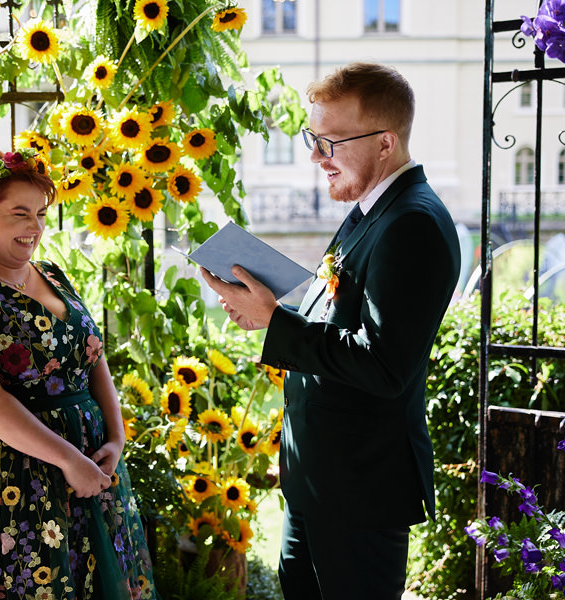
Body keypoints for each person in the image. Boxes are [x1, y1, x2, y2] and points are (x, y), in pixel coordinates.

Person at [201, 62, 461, 599]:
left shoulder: (411, 223)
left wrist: (276, 324)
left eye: (331, 141)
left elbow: (384, 365)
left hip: (359, 491)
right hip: (321, 482)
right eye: (312, 138)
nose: (317, 157)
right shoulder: (373, 208)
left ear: (386, 142)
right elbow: (341, 318)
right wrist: (269, 316)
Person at [0, 148, 156, 600]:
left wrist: (114, 440)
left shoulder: (53, 275)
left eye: (40, 213)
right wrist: (69, 460)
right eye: (19, 213)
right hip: (7, 475)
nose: (35, 227)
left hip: (87, 467)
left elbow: (94, 360)